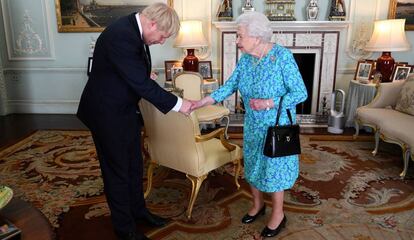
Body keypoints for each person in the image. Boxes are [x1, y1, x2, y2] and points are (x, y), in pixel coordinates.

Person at [77, 3, 193, 240]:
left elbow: (131, 71)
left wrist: (141, 73)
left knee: (133, 166)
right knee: (117, 171)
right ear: (152, 24)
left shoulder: (134, 29)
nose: (161, 42)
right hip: (106, 113)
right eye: (162, 36)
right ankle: (125, 229)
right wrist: (180, 104)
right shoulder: (121, 35)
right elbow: (140, 83)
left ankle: (139, 212)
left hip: (125, 109)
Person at [191, 12, 307, 238]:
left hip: (277, 125)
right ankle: (257, 205)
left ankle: (278, 214)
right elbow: (230, 85)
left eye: (239, 35)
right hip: (253, 125)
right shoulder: (246, 59)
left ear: (257, 37)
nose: (237, 41)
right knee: (253, 164)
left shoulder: (282, 57)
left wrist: (268, 103)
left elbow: (300, 93)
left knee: (274, 171)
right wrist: (203, 101)